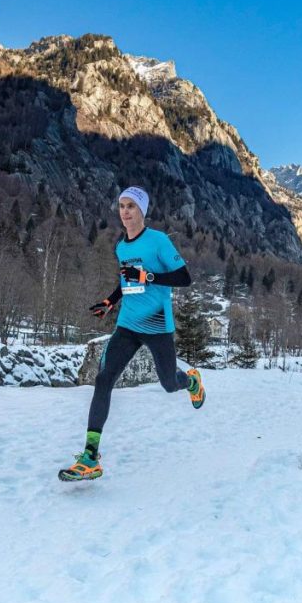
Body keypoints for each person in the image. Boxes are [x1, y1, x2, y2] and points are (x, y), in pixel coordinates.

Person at [59, 186, 206, 481]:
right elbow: (128, 280)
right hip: (127, 325)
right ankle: (90, 456)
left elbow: (184, 277)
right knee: (103, 380)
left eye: (131, 207)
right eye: (121, 206)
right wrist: (111, 301)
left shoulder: (158, 241)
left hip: (157, 325)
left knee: (167, 383)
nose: (125, 212)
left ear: (142, 211)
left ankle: (189, 380)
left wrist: (149, 276)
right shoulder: (121, 246)